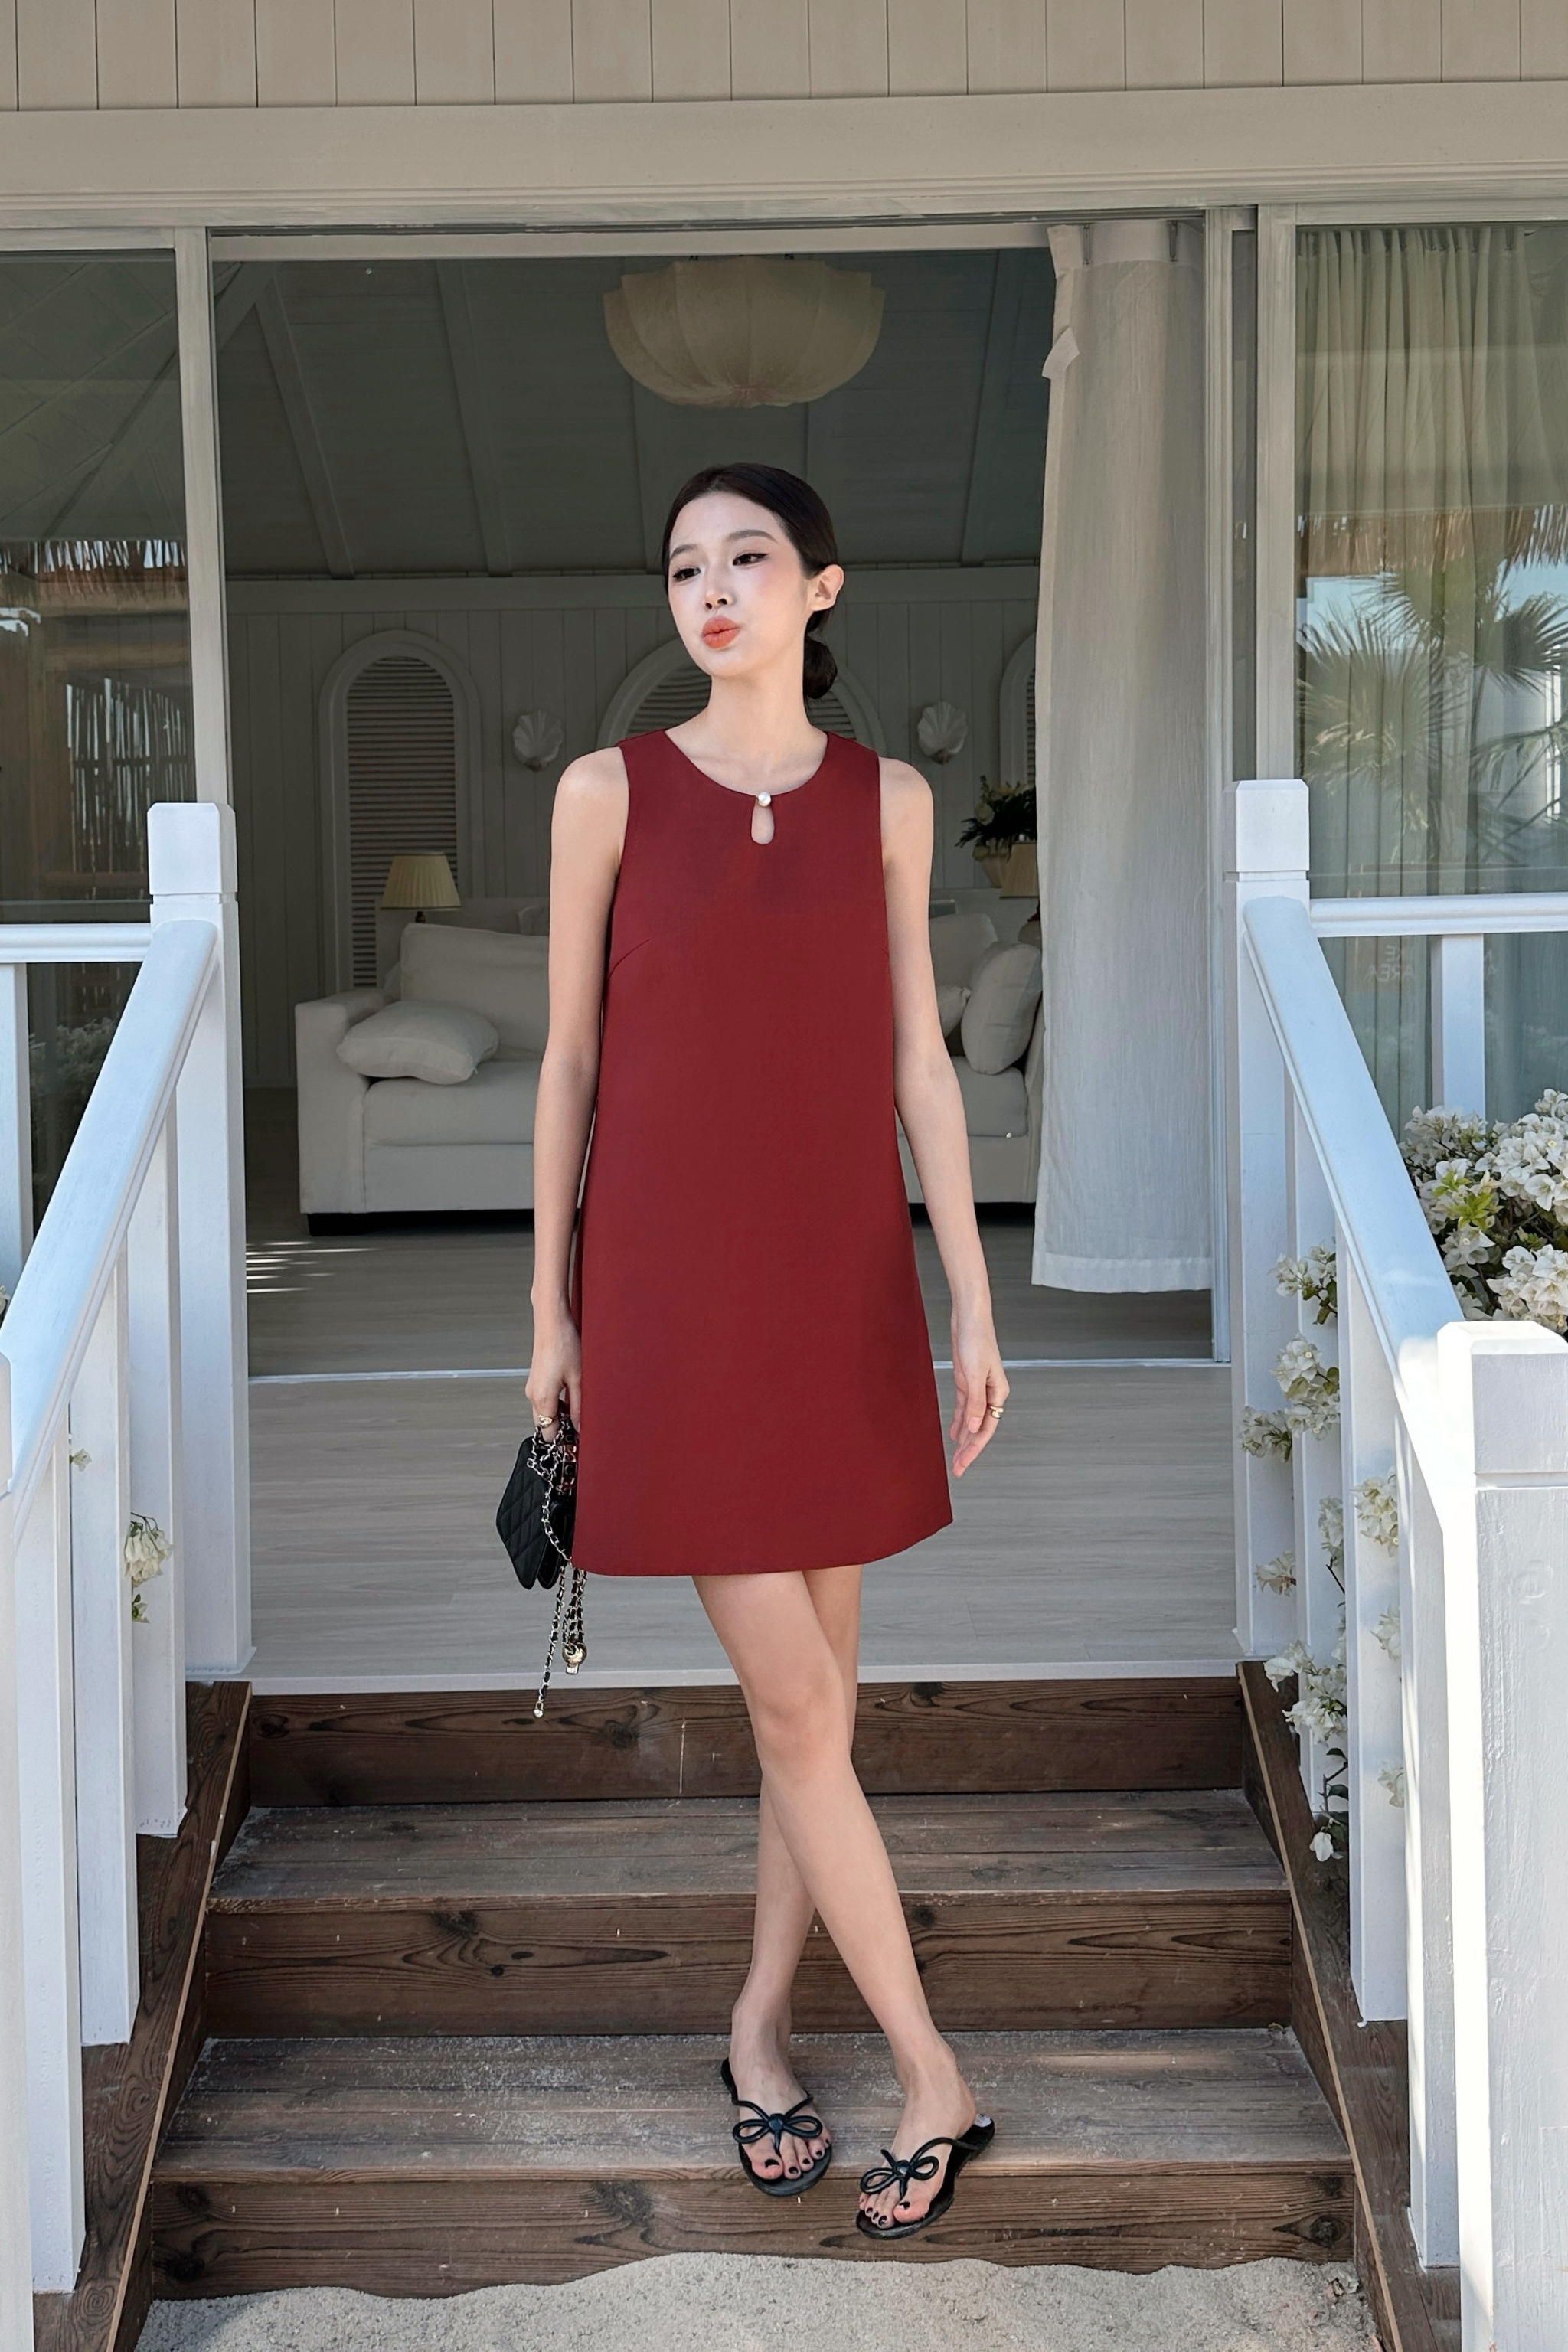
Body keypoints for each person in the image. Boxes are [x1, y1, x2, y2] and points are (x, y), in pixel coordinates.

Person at [527, 461, 1008, 2240]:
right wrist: (548, 1307)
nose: (711, 591)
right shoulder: (604, 791)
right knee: (801, 1709)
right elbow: (570, 1064)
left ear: (821, 586)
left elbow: (918, 1065)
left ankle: (755, 2027)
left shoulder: (890, 799)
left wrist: (971, 1294)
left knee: (812, 1715)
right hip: (668, 1300)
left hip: (838, 1289)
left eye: (746, 559)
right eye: (683, 568)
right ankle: (934, 2076)